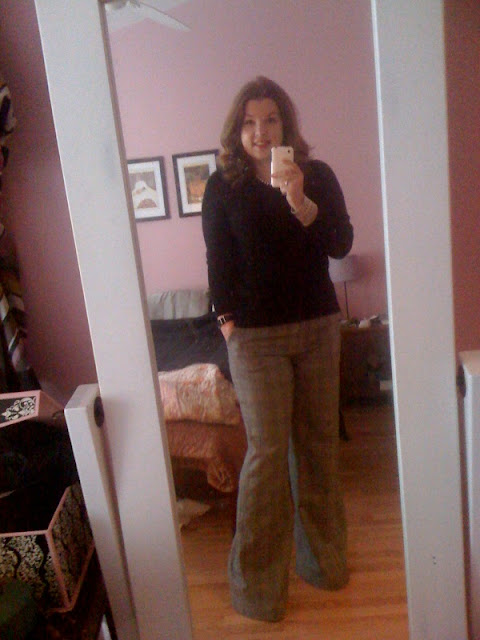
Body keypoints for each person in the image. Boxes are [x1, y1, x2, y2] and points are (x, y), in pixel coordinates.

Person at [201, 76, 354, 622]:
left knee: (317, 448)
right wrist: (226, 323)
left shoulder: (317, 176)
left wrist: (299, 200)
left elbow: (340, 243)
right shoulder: (222, 186)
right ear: (236, 129)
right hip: (255, 340)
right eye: (249, 122)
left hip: (317, 329)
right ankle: (256, 589)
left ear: (285, 124)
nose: (260, 131)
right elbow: (218, 261)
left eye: (269, 120)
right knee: (266, 457)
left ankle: (323, 563)